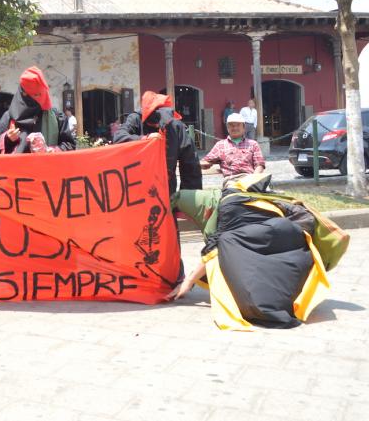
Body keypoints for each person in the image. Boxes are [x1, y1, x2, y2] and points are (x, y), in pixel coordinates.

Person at [168, 174, 328, 329]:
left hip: (288, 231)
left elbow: (213, 250)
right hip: (287, 233)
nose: (187, 219)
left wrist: (188, 282)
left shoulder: (227, 206)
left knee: (228, 242)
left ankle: (266, 307)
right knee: (237, 249)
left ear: (200, 207)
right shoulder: (232, 198)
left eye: (186, 215)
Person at [113, 91, 202, 195]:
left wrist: (186, 200)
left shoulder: (176, 126)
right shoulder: (136, 119)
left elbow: (190, 167)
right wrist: (145, 139)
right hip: (137, 189)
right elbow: (118, 138)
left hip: (167, 190)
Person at [0, 66, 76, 154]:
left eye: (40, 94)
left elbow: (69, 145)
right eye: (35, 95)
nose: (39, 99)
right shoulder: (9, 117)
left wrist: (52, 151)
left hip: (47, 167)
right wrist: (7, 138)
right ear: (23, 95)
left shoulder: (56, 117)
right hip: (17, 167)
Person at [200, 113, 266, 178]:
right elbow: (206, 161)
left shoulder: (253, 144)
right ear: (227, 128)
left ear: (243, 127)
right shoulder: (220, 145)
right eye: (231, 125)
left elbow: (259, 164)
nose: (235, 128)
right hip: (231, 180)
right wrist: (204, 164)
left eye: (238, 125)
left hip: (249, 179)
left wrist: (253, 179)